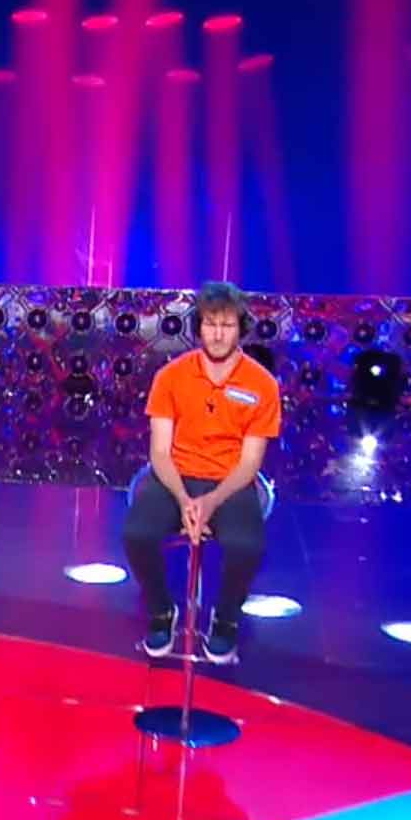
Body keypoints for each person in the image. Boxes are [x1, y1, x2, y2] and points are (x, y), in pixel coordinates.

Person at [121, 280, 280, 664]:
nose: (218, 334)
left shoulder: (262, 384)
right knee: (136, 535)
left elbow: (250, 462)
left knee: (247, 546)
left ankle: (225, 618)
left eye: (227, 325)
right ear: (198, 328)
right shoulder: (170, 376)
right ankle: (161, 610)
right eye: (211, 324)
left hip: (231, 481)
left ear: (241, 329)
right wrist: (183, 499)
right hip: (174, 475)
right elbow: (160, 452)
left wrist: (211, 501)